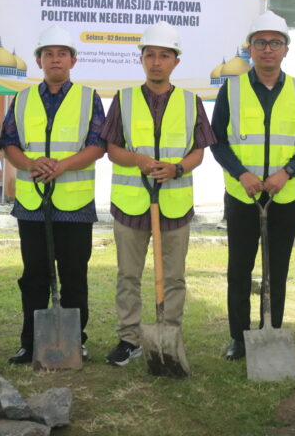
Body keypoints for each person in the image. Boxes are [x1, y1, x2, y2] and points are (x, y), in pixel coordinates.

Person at [101, 21, 215, 366]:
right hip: (131, 204)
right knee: (128, 276)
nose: (156, 61)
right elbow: (111, 149)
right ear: (142, 59)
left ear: (175, 62)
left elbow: (199, 151)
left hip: (175, 206)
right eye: (149, 54)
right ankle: (130, 338)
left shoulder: (191, 102)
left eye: (164, 55)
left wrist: (177, 168)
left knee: (174, 277)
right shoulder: (124, 99)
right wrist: (138, 160)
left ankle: (168, 335)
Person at [210, 11, 295, 361]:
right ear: (250, 49)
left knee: (277, 271)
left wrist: (286, 172)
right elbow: (217, 141)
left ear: (286, 49)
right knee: (239, 270)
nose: (267, 49)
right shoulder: (232, 88)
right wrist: (242, 174)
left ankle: (270, 330)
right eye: (260, 43)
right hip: (243, 197)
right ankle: (240, 339)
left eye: (275, 43)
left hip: (283, 198)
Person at [0, 24, 106, 364]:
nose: (55, 59)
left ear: (73, 61)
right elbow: (9, 145)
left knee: (74, 274)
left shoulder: (89, 99)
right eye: (48, 54)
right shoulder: (22, 99)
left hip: (74, 205)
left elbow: (97, 146)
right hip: (33, 204)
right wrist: (32, 163)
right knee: (34, 276)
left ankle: (76, 339)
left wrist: (61, 166)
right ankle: (30, 342)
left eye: (62, 53)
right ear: (38, 60)